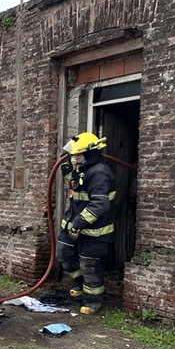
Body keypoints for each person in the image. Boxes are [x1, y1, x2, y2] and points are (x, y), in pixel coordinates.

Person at [57, 132, 116, 315]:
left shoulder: (99, 173)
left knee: (90, 266)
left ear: (90, 153)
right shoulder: (82, 169)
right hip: (73, 228)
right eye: (74, 154)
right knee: (64, 255)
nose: (74, 157)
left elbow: (99, 204)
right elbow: (66, 170)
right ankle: (80, 285)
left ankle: (93, 301)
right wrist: (70, 148)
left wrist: (79, 224)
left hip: (94, 232)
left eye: (78, 154)